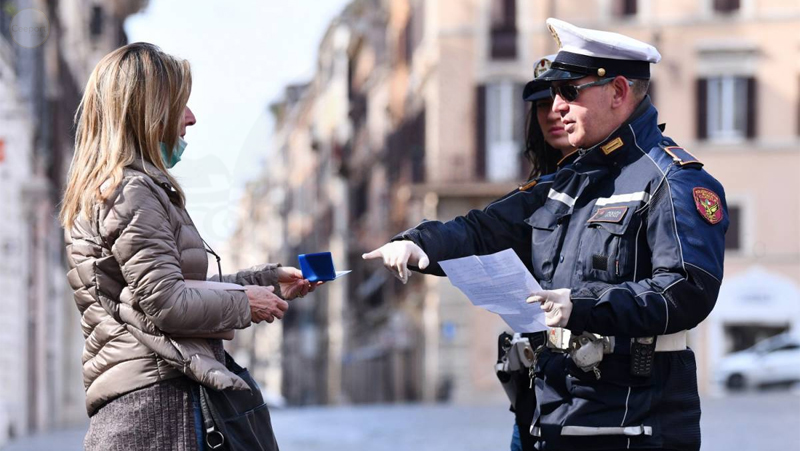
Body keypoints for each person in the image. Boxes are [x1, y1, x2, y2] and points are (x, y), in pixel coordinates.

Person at [364, 18, 727, 451]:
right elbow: (484, 229)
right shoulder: (567, 181)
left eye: (569, 92)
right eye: (553, 93)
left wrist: (581, 304)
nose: (555, 107)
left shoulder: (673, 181)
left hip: (633, 428)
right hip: (553, 422)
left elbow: (686, 290)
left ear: (618, 92)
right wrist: (418, 242)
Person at [60, 42, 316, 450]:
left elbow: (157, 290)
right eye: (180, 105)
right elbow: (167, 302)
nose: (191, 119)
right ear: (146, 112)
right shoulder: (130, 191)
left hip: (146, 411)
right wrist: (245, 302)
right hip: (157, 414)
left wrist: (263, 283)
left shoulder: (122, 188)